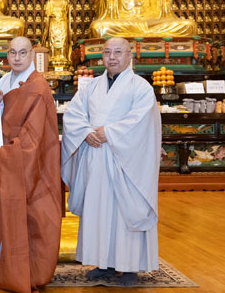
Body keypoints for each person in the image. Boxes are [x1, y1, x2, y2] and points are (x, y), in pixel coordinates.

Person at [61, 37, 161, 286]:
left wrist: (110, 132)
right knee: (99, 210)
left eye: (118, 52)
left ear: (130, 56)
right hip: (95, 156)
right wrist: (85, 131)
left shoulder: (141, 87)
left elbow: (142, 121)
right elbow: (74, 114)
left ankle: (129, 267)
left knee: (125, 211)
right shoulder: (91, 86)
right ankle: (103, 263)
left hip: (126, 161)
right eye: (107, 52)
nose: (112, 57)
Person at [0, 36, 63, 293]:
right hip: (5, 156)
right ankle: (6, 265)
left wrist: (9, 152)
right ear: (7, 55)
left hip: (27, 161)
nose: (17, 57)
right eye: (12, 52)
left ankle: (26, 271)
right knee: (4, 208)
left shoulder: (38, 87)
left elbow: (34, 134)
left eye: (22, 53)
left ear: (32, 55)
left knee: (31, 214)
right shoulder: (3, 82)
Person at [43, 0, 73, 72]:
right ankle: (52, 57)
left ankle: (63, 56)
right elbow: (46, 14)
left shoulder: (65, 2)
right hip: (53, 23)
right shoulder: (50, 2)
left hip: (63, 23)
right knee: (52, 41)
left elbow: (68, 15)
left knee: (63, 41)